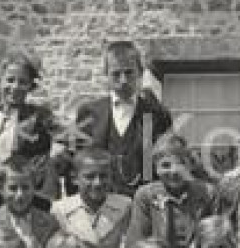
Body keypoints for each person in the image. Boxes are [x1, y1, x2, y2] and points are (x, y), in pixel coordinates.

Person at [72, 40, 173, 195]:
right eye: (116, 74)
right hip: (101, 201)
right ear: (106, 74)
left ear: (140, 72)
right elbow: (78, 161)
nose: (123, 80)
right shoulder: (89, 112)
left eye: (129, 72)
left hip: (142, 203)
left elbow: (166, 160)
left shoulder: (156, 114)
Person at [125, 133, 213, 248]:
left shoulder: (206, 193)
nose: (173, 171)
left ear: (190, 165)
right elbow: (137, 241)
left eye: (180, 164)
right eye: (165, 165)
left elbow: (214, 234)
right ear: (156, 168)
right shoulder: (146, 196)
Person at [0, 50, 57, 209]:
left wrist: (51, 164)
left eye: (22, 82)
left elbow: (74, 141)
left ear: (30, 86)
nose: (15, 87)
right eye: (10, 80)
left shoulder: (40, 116)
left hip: (25, 197)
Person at [51, 146, 133, 248]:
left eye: (103, 176)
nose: (97, 183)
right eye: (89, 177)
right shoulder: (60, 210)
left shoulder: (125, 206)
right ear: (75, 178)